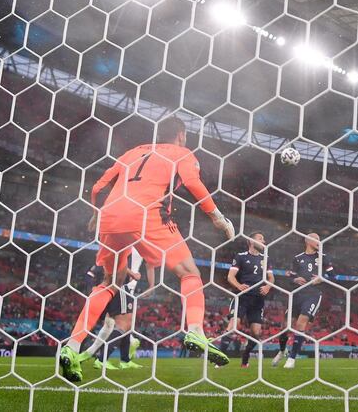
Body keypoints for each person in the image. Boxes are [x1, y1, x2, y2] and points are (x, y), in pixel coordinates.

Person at [57, 116, 236, 382]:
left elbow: (97, 187)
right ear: (182, 135)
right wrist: (218, 218)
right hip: (147, 215)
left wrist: (96, 213)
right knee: (189, 273)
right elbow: (192, 182)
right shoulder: (182, 152)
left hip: (110, 216)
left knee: (108, 283)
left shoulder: (134, 151)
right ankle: (196, 330)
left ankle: (71, 347)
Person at [272, 233, 334, 369]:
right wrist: (294, 279)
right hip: (296, 295)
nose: (319, 241)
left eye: (319, 239)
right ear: (307, 241)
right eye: (316, 239)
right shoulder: (297, 258)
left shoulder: (324, 257)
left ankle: (292, 359)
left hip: (313, 294)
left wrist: (321, 278)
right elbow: (291, 276)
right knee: (285, 327)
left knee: (301, 323)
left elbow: (333, 276)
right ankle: (282, 351)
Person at [78, 249, 144, 371]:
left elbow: (89, 275)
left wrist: (92, 287)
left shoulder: (99, 262)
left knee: (124, 325)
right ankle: (102, 359)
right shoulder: (112, 254)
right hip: (119, 288)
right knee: (124, 324)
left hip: (107, 290)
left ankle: (125, 360)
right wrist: (133, 274)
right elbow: (117, 265)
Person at [218, 232, 275, 367]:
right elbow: (230, 276)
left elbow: (271, 278)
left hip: (258, 299)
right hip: (241, 297)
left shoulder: (266, 258)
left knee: (256, 333)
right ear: (251, 241)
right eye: (260, 239)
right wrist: (239, 286)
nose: (264, 241)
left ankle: (245, 357)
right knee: (233, 326)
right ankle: (219, 359)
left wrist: (268, 286)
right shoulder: (241, 257)